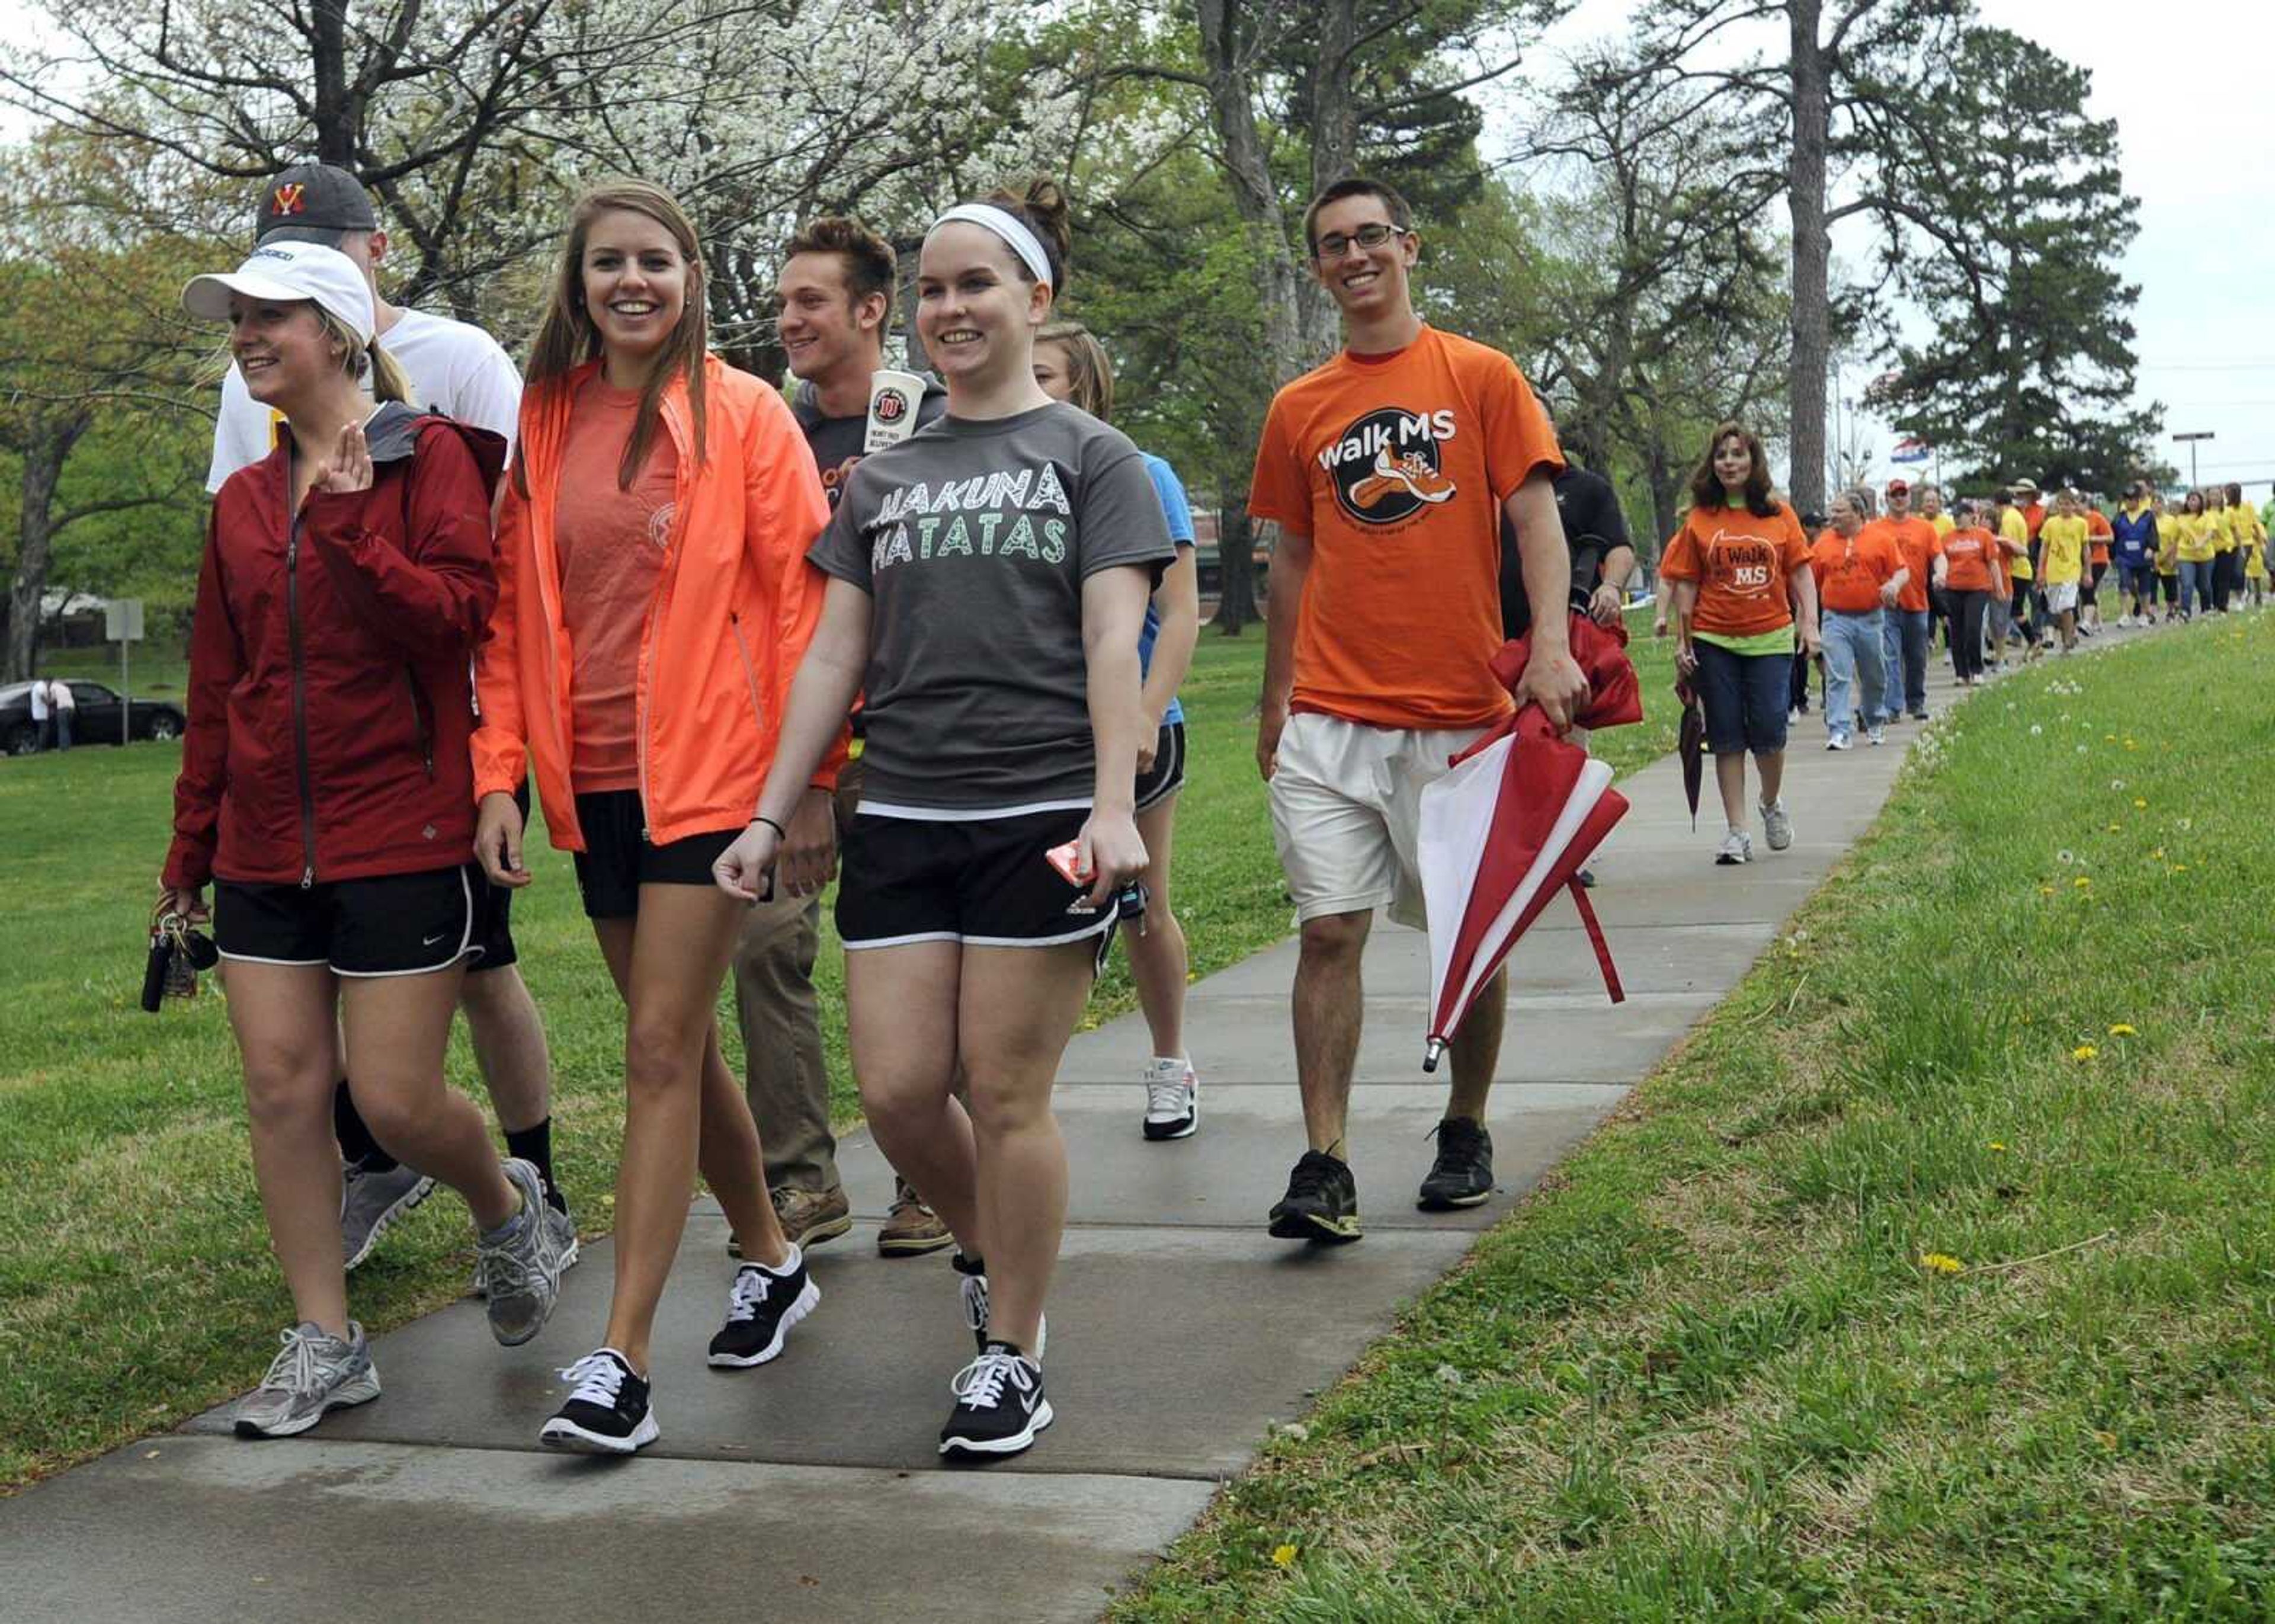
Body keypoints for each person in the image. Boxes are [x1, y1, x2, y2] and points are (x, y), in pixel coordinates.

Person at [714, 178, 1175, 1460]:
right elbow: (830, 657)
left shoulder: (1095, 458)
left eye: (978, 284)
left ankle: (1015, 1349)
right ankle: (993, 1249)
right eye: (932, 288)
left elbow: (1109, 637)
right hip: (904, 809)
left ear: (1037, 301)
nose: (951, 307)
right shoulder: (884, 475)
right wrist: (769, 811)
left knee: (1005, 1089)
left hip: (1041, 805)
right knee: (905, 1095)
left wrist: (1111, 803)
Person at [162, 239, 562, 1438]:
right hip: (262, 844)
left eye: (268, 316)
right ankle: (327, 1340)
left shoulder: (435, 457)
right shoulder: (239, 502)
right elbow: (220, 686)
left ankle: (506, 1202)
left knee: (392, 1099)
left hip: (399, 826)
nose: (244, 335)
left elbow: (455, 624)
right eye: (235, 319)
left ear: (337, 330)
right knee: (286, 1090)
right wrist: (186, 857)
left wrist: (349, 526)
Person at [473, 180, 830, 1455]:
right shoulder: (547, 417)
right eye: (609, 264)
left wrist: (811, 781)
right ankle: (775, 1253)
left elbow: (805, 605)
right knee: (671, 1042)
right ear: (578, 286)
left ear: (692, 277)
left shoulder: (745, 415)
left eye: (658, 262)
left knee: (656, 1051)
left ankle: (620, 1359)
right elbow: (514, 617)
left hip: (720, 779)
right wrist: (500, 771)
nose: (634, 282)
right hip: (597, 784)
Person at [1236, 175, 1584, 1245]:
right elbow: (1293, 556)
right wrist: (1275, 697)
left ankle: (1465, 1127)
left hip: (1460, 715)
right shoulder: (1301, 407)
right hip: (1334, 717)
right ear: (1319, 267)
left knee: (1463, 942)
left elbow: (1536, 517)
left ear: (1409, 247)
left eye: (1372, 236)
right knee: (1329, 931)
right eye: (1334, 244)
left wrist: (1552, 649)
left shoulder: (1480, 376)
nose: (1356, 256)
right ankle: (1324, 1161)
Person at [746, 215, 953, 1256]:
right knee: (763, 948)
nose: (790, 320)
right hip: (793, 749)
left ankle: (927, 1177)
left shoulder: (934, 423)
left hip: (913, 745)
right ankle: (802, 1180)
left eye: (811, 301)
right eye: (784, 303)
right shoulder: (766, 434)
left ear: (873, 311)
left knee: (914, 961)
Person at [1033, 316, 1204, 1141]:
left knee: (1138, 905)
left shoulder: (1144, 473)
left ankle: (1170, 1062)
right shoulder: (1012, 477)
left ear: (1086, 386)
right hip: (1039, 731)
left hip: (1137, 729)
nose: (1032, 386)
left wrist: (1141, 711)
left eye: (1048, 376)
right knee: (1045, 908)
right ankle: (1025, 1093)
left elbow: (1178, 615)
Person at [1659, 422, 1819, 864]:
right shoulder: (1701, 518)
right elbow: (1687, 583)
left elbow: (1801, 572)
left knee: (1770, 729)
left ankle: (1770, 803)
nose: (1730, 462)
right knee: (1726, 735)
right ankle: (1737, 831)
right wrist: (1683, 640)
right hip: (1714, 639)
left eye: (1738, 454)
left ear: (1754, 461)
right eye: (1722, 455)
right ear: (1713, 464)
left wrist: (1810, 623)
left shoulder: (1778, 514)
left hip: (1769, 636)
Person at [1810, 492, 1905, 747]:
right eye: (1833, 511)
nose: (1833, 516)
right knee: (1838, 675)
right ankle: (1839, 730)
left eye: (1840, 511)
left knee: (1873, 674)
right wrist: (1806, 624)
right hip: (1835, 618)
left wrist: (1894, 586)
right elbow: (1809, 584)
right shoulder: (1822, 544)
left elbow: (1901, 570)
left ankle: (1874, 719)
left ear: (1858, 514)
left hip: (1871, 618)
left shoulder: (1881, 540)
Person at [1868, 478, 1938, 720]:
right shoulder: (1874, 529)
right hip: (1887, 604)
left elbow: (1937, 555)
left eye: (1903, 494)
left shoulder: (1925, 528)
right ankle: (1893, 707)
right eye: (1894, 494)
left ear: (1909, 497)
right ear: (1886, 499)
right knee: (1890, 656)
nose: (1899, 498)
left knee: (1917, 657)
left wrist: (1942, 572)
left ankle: (1916, 702)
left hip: (1918, 603)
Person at [1936, 499, 2000, 686]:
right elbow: (1941, 562)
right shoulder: (1947, 539)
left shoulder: (1983, 536)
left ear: (1972, 516)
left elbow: (1993, 562)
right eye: (1954, 516)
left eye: (1960, 516)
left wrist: (1999, 586)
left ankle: (1976, 669)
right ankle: (1961, 672)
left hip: (1978, 588)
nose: (1957, 519)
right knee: (1956, 631)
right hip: (1953, 588)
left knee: (1973, 628)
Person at [2037, 489, 2090, 653]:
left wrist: (2087, 572)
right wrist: (2040, 571)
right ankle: (2071, 632)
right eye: (2061, 504)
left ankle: (2067, 642)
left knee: (2066, 606)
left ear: (2074, 506)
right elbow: (2044, 548)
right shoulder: (2051, 523)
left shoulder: (2081, 524)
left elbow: (2086, 549)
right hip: (2054, 571)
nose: (2065, 508)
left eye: (2068, 504)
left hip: (2072, 570)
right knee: (2056, 609)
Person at [2110, 482, 2158, 626]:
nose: (2130, 502)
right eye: (2127, 499)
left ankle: (2144, 613)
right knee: (2124, 584)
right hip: (2124, 557)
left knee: (2145, 586)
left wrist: (2152, 548)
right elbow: (2113, 536)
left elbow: (2154, 535)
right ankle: (2125, 613)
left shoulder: (2147, 516)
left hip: (2143, 556)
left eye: (2133, 499)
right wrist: (2112, 556)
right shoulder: (2119, 517)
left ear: (2138, 499)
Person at [1995, 490, 2035, 655]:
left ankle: (2033, 641)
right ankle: (2031, 642)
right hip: (2021, 569)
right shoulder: (2016, 515)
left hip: (2016, 569)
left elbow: (2009, 544)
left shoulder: (2008, 518)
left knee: (2013, 611)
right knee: (2014, 610)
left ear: (1997, 503)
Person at [2172, 490, 2215, 619]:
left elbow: (2210, 533)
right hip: (2185, 556)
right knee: (2187, 584)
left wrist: (2201, 542)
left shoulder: (2207, 516)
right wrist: (2172, 557)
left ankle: (2206, 609)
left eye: (2195, 499)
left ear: (2201, 502)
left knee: (2205, 586)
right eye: (2189, 499)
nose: (2192, 502)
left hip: (2205, 556)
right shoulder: (2181, 518)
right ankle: (2185, 611)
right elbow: (2175, 539)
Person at [2226, 483, 2266, 608]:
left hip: (2246, 543)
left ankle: (2244, 594)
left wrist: (2262, 540)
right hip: (2229, 545)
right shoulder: (2226, 509)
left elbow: (2255, 524)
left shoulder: (2248, 507)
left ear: (2236, 493)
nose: (2226, 495)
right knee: (2235, 572)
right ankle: (2243, 592)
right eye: (2226, 493)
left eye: (2229, 493)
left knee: (2239, 569)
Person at [2081, 497, 2113, 633]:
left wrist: (2091, 539)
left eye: (2078, 503)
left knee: (2087, 589)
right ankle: (2097, 622)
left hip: (2098, 559)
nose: (2076, 507)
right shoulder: (2075, 520)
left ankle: (2087, 622)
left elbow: (2110, 537)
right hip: (2081, 560)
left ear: (2085, 504)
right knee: (2090, 591)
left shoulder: (2097, 518)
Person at [2151, 492, 2180, 621]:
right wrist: (2155, 559)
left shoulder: (2171, 520)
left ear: (2163, 505)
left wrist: (2171, 557)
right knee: (2151, 586)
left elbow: (2175, 541)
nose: (2157, 506)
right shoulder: (2148, 520)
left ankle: (2171, 610)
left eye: (2159, 503)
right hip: (2152, 558)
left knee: (2170, 586)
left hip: (2167, 556)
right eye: (2154, 503)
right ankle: (2151, 612)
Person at [27, 672, 49, 751]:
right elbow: (42, 696)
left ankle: (41, 747)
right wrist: (48, 703)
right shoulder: (41, 686)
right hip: (41, 713)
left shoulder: (37, 685)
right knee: (44, 731)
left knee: (41, 730)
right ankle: (41, 748)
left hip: (38, 712)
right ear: (47, 681)